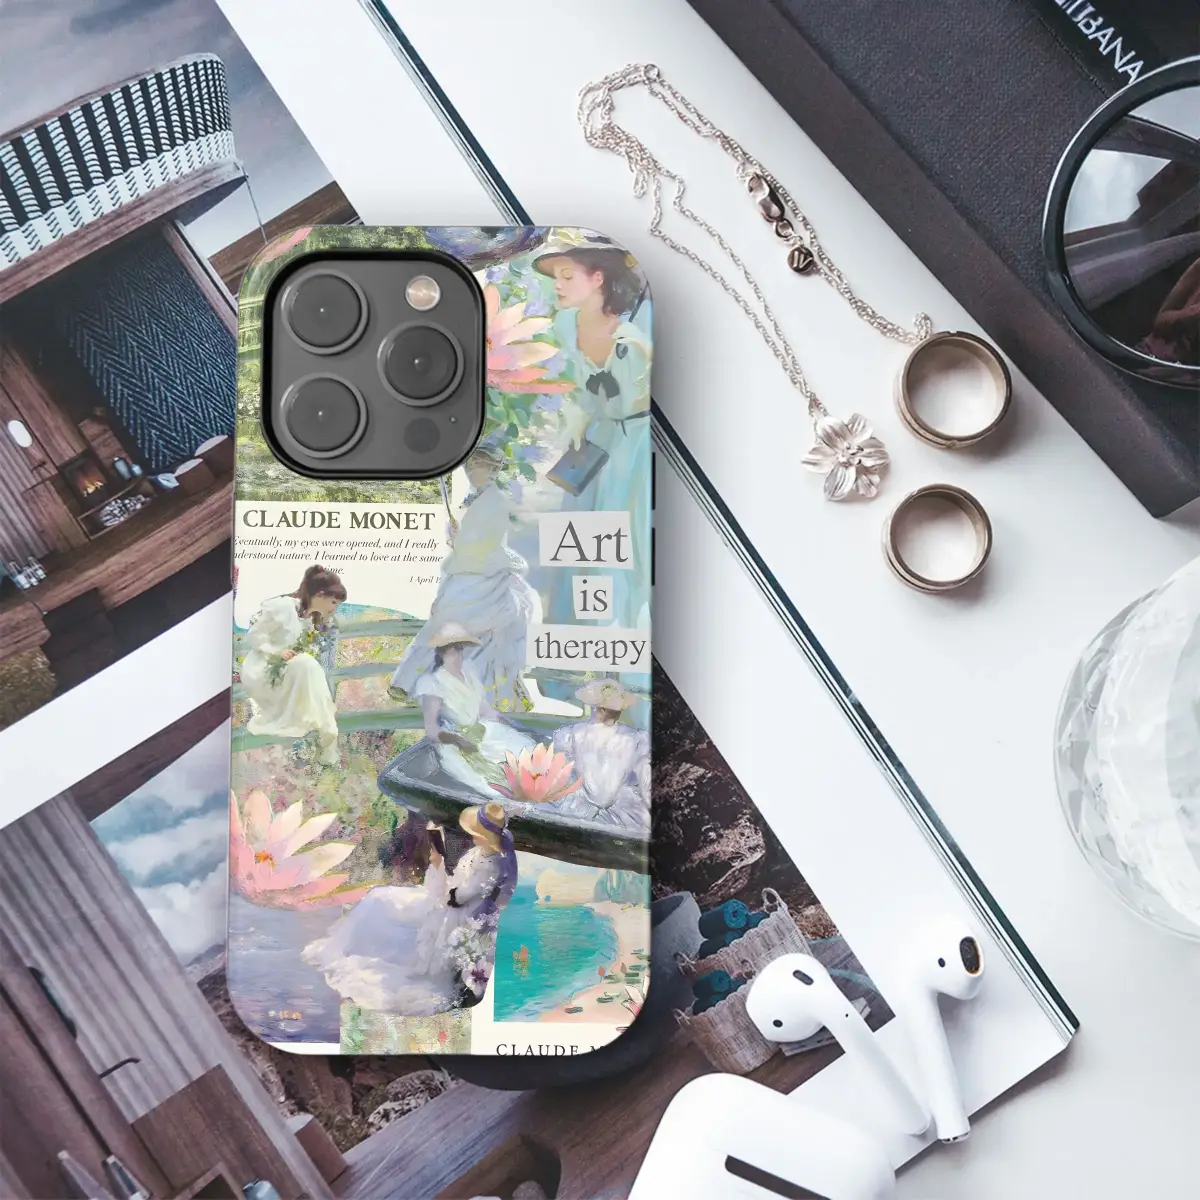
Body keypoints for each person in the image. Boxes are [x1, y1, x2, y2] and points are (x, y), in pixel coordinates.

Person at [533, 241, 652, 632]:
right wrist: (578, 415)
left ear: (598, 278)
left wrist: (644, 352)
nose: (558, 285)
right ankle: (581, 641)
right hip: (596, 440)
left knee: (632, 543)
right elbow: (574, 385)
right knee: (580, 543)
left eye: (568, 276)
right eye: (556, 277)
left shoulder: (642, 320)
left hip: (638, 439)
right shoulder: (564, 325)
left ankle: (627, 638)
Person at [302, 802, 518, 1014]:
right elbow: (460, 882)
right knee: (379, 896)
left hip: (462, 911)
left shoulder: (491, 864)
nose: (471, 836)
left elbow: (462, 895)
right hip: (452, 898)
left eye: (476, 833)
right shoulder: (482, 852)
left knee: (387, 908)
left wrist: (440, 869)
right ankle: (350, 945)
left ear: (485, 835)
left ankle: (365, 950)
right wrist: (440, 867)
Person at [391, 445, 539, 713]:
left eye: (478, 465)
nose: (471, 470)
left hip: (483, 574)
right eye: (470, 465)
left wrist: (459, 539)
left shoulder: (494, 501)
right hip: (467, 572)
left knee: (460, 630)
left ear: (492, 469)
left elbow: (482, 544)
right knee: (444, 625)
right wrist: (456, 535)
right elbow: (467, 540)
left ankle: (429, 687)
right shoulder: (475, 498)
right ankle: (413, 684)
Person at [413, 622, 535, 795]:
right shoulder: (433, 683)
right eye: (451, 651)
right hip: (456, 743)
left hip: (482, 731)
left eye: (459, 649)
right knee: (488, 785)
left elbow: (483, 708)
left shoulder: (469, 671)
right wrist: (458, 740)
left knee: (527, 750)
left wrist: (508, 722)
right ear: (441, 653)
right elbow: (431, 730)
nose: (457, 656)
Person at [240, 565, 344, 765]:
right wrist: (277, 652)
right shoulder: (283, 607)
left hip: (285, 668)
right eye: (333, 602)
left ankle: (328, 732)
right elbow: (255, 636)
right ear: (320, 595)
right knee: (307, 664)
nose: (334, 608)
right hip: (262, 667)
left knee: (307, 665)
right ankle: (328, 734)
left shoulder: (309, 618)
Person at [548, 679, 650, 829]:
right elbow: (560, 775)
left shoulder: (636, 738)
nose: (619, 712)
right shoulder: (570, 734)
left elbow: (646, 781)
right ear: (601, 708)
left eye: (619, 709)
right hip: (584, 808)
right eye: (615, 709)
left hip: (618, 810)